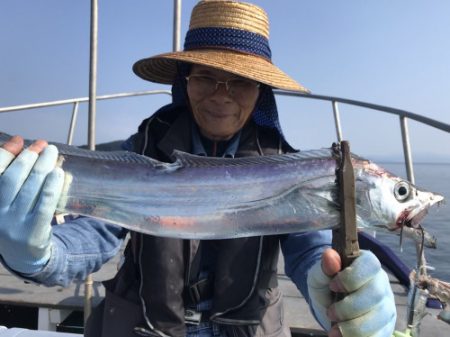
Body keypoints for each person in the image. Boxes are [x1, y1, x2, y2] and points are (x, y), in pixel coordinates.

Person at [0, 1, 396, 337]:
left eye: (239, 81)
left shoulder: (285, 166)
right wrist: (38, 255)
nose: (221, 97)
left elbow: (309, 249)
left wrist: (332, 288)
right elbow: (94, 232)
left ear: (260, 92)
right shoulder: (143, 149)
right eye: (206, 77)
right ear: (184, 82)